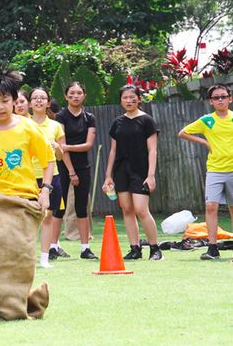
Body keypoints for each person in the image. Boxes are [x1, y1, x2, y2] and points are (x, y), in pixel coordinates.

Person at [0, 70, 52, 320]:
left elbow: (48, 160)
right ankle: (6, 306)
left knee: (20, 256)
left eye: (4, 101)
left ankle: (16, 304)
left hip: (23, 202)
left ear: (15, 101)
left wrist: (45, 191)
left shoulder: (28, 128)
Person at [102, 85, 162, 261]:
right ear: (120, 101)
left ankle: (155, 248)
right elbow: (113, 151)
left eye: (132, 97)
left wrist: (150, 175)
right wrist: (108, 176)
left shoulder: (147, 121)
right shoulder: (117, 122)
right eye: (125, 98)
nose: (129, 101)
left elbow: (153, 150)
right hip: (121, 171)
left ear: (139, 99)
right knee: (127, 210)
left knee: (141, 210)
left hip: (141, 171)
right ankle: (135, 248)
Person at [178, 84, 233, 260]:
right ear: (211, 102)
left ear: (230, 98)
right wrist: (204, 143)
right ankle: (212, 247)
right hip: (215, 170)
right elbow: (183, 133)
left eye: (223, 96)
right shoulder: (207, 120)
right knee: (210, 207)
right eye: (216, 97)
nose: (220, 100)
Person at [54, 82, 98, 260]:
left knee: (81, 208)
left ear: (84, 95)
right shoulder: (60, 117)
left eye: (79, 93)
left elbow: (88, 145)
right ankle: (53, 247)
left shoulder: (89, 118)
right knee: (59, 207)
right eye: (71, 93)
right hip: (63, 167)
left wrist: (68, 147)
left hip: (84, 167)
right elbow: (60, 148)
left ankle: (85, 248)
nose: (75, 96)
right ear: (66, 96)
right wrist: (71, 171)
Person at [28, 87, 68, 268]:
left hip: (51, 177)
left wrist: (56, 147)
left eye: (42, 98)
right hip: (26, 176)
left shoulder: (56, 126)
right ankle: (26, 257)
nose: (38, 101)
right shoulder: (22, 124)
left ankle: (44, 259)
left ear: (48, 103)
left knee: (47, 217)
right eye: (35, 98)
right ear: (29, 103)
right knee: (26, 219)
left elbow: (60, 156)